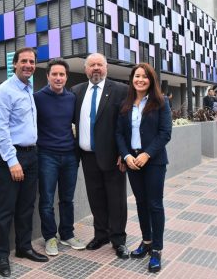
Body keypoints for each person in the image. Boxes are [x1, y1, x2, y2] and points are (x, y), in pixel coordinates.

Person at [0, 47, 48, 277]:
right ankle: (2, 256)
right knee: (6, 210)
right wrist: (13, 162)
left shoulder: (28, 90)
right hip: (10, 157)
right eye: (23, 61)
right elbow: (1, 130)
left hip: (31, 155)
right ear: (14, 64)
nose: (28, 65)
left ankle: (24, 247)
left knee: (26, 207)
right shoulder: (4, 91)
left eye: (32, 61)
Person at [71, 53, 130, 259]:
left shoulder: (121, 90)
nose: (96, 68)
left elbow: (126, 126)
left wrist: (124, 154)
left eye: (100, 65)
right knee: (95, 199)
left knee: (117, 200)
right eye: (92, 65)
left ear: (106, 68)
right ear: (86, 69)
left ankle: (119, 240)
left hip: (114, 158)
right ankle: (101, 235)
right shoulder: (77, 91)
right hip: (88, 157)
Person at [115, 63, 172, 273]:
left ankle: (157, 249)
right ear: (132, 79)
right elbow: (119, 134)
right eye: (137, 76)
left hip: (154, 161)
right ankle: (146, 241)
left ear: (151, 80)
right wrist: (127, 155)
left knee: (154, 204)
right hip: (132, 162)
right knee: (140, 203)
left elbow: (165, 133)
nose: (140, 80)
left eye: (145, 76)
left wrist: (147, 154)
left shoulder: (161, 102)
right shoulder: (125, 104)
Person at [34, 58, 86, 256]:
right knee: (46, 200)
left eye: (61, 74)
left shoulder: (72, 98)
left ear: (66, 77)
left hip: (69, 156)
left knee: (67, 199)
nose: (58, 77)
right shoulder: (37, 98)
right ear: (47, 76)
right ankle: (50, 237)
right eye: (54, 74)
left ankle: (67, 234)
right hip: (46, 155)